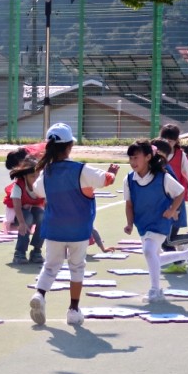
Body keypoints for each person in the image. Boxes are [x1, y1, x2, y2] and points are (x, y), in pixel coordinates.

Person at [28, 123, 119, 327]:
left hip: (53, 228)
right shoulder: (81, 169)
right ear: (69, 146)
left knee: (50, 266)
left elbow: (38, 191)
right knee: (77, 268)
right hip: (78, 229)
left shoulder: (47, 172)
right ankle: (73, 310)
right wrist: (112, 172)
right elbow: (106, 180)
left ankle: (40, 294)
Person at [123, 139, 188, 303]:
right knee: (154, 256)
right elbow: (129, 204)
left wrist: (172, 210)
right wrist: (129, 223)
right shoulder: (129, 180)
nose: (132, 162)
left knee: (148, 251)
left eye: (135, 157)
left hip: (160, 221)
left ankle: (156, 290)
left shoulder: (162, 177)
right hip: (143, 223)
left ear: (147, 157)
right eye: (130, 158)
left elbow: (180, 192)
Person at [5, 147, 45, 265]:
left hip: (35, 208)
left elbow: (48, 203)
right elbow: (17, 206)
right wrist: (21, 223)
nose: (36, 178)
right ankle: (20, 253)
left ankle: (36, 251)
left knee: (43, 218)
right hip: (17, 212)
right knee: (27, 218)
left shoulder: (42, 184)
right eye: (32, 176)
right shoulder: (18, 186)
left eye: (38, 175)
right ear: (25, 176)